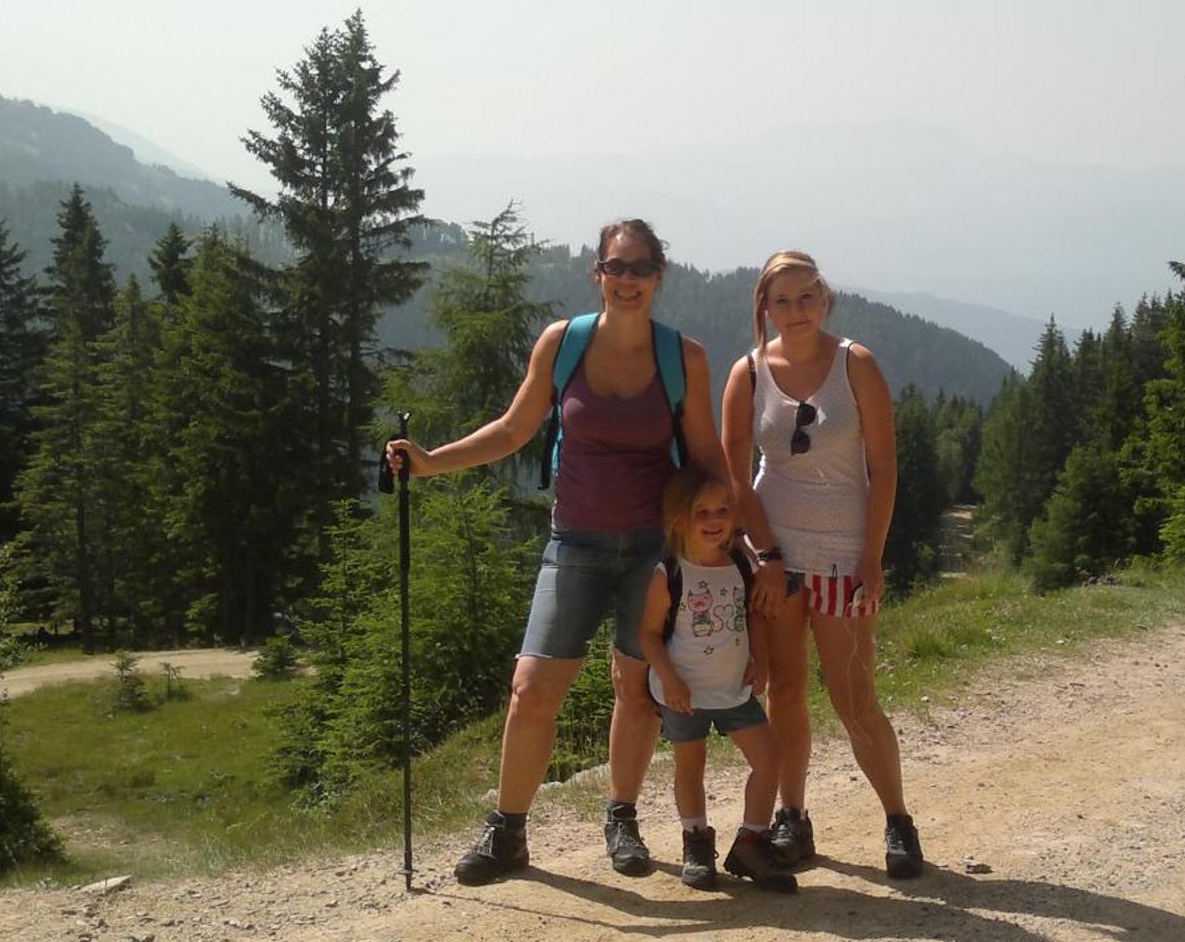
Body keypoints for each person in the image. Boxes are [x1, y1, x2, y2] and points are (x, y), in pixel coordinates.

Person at [386, 219, 721, 886]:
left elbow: (708, 461)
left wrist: (728, 549)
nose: (627, 279)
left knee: (635, 686)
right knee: (532, 687)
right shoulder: (562, 345)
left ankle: (621, 817)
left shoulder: (684, 359)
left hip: (652, 550)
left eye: (640, 267)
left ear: (660, 275)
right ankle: (509, 830)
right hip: (574, 541)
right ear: (597, 272)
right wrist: (430, 463)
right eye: (615, 266)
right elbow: (514, 428)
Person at [719, 249, 924, 878]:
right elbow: (735, 476)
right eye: (782, 300)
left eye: (806, 296)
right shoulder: (747, 373)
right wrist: (768, 556)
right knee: (785, 693)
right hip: (776, 560)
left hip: (842, 559)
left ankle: (897, 820)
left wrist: (872, 555)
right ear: (765, 307)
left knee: (854, 697)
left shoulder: (853, 364)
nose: (796, 310)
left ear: (825, 298)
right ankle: (793, 819)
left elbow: (883, 468)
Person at [638, 466, 797, 893]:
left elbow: (753, 617)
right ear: (679, 519)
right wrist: (669, 679)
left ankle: (750, 841)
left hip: (732, 688)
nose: (714, 520)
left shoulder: (742, 566)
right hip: (684, 693)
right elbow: (649, 634)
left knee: (769, 759)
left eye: (722, 510)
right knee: (691, 768)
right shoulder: (668, 573)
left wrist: (759, 660)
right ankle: (695, 843)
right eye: (701, 512)